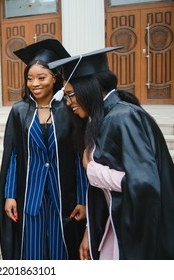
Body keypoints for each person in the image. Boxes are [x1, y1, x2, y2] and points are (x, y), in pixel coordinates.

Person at [48, 46, 174, 259]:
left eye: (70, 95)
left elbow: (145, 184)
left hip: (139, 231)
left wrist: (93, 170)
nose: (69, 103)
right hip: (115, 223)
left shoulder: (122, 117)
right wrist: (90, 229)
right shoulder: (103, 117)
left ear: (89, 87)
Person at [0, 39, 88, 260]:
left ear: (55, 78)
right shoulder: (20, 111)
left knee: (62, 250)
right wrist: (10, 195)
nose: (34, 83)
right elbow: (13, 156)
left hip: (62, 194)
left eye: (41, 77)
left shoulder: (67, 110)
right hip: (31, 194)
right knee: (32, 250)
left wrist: (82, 197)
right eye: (29, 78)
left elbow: (78, 156)